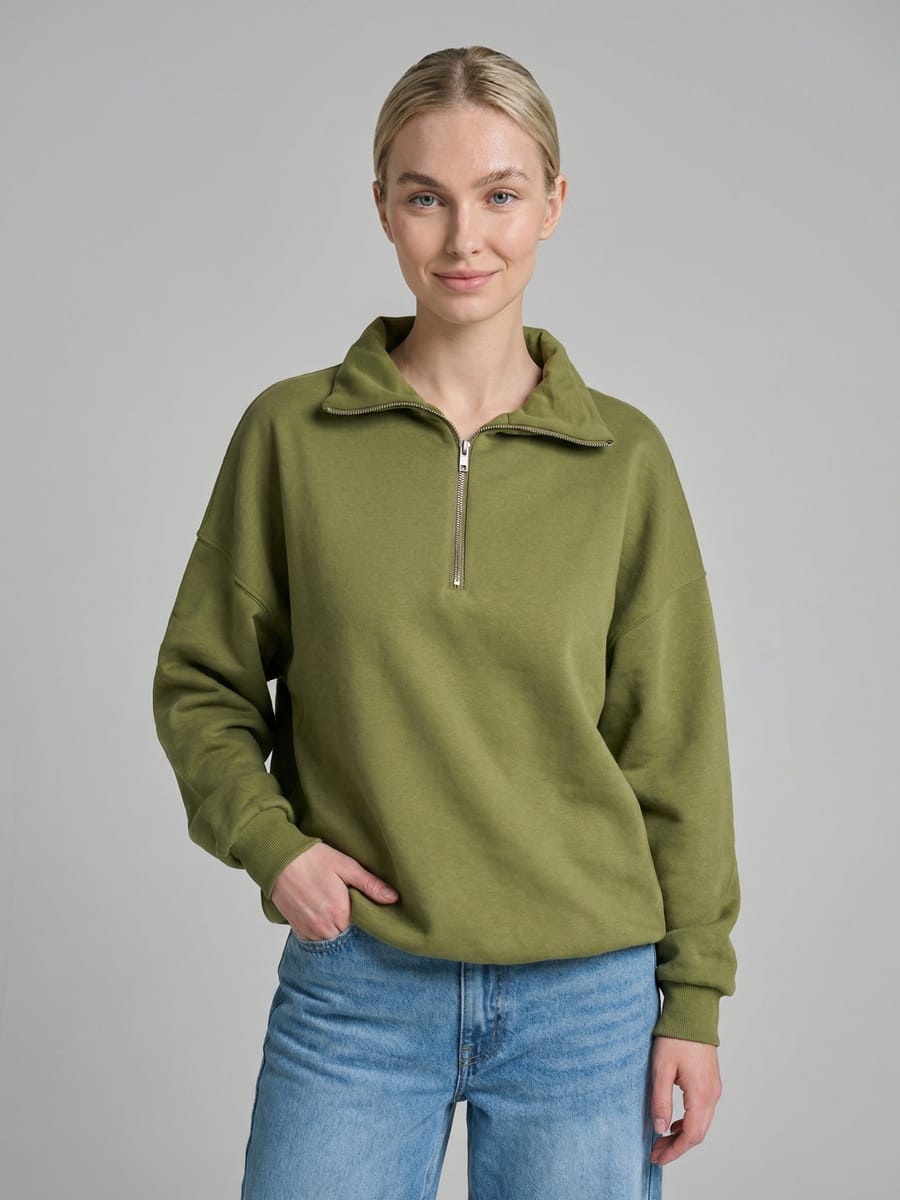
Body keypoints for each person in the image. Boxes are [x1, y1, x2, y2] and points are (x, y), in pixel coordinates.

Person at [152, 44, 740, 1200]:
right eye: (427, 198)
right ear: (383, 205)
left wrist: (695, 1001)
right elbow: (201, 687)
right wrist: (273, 847)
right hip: (361, 988)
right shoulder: (291, 437)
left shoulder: (625, 461)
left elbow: (676, 750)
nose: (466, 238)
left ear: (553, 204)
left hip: (589, 1002)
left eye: (500, 195)